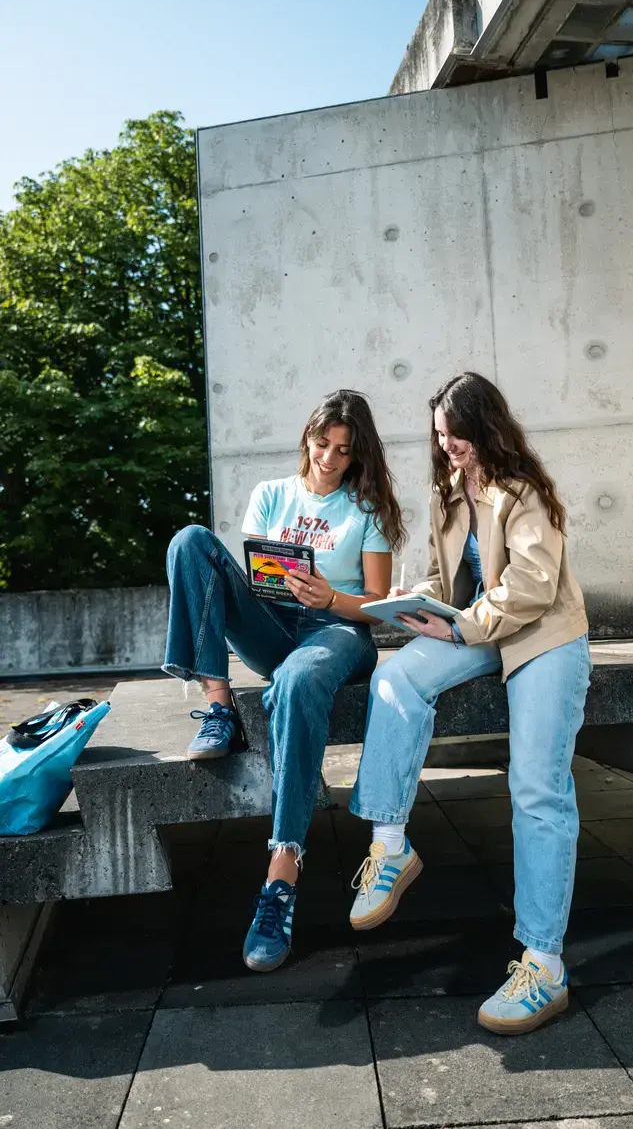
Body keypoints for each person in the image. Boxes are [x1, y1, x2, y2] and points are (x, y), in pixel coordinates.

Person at [348, 372, 590, 1035]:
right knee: (394, 680)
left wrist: (466, 625)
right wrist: (418, 606)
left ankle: (544, 966)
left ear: (485, 428)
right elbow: (442, 574)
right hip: (478, 626)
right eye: (439, 435)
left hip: (543, 636)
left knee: (537, 789)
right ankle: (390, 844)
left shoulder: (526, 490)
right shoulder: (448, 490)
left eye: (455, 434)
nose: (446, 445)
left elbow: (534, 588)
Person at [163, 389, 405, 973]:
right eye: (322, 444)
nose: (328, 458)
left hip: (338, 632)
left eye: (343, 451)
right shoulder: (271, 495)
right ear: (307, 437)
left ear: (357, 455)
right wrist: (277, 589)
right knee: (189, 541)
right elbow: (251, 573)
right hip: (275, 624)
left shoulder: (366, 509)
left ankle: (281, 873)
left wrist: (333, 597)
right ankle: (217, 706)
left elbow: (380, 605)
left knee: (297, 680)